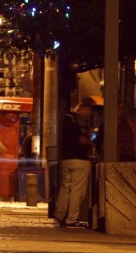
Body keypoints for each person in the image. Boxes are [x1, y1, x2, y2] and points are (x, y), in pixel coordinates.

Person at [54, 97, 94, 228]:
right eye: (90, 110)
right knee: (77, 190)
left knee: (65, 187)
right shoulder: (80, 119)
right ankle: (72, 219)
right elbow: (82, 140)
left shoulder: (66, 118)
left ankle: (59, 216)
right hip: (80, 159)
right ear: (85, 108)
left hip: (66, 159)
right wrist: (92, 143)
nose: (90, 113)